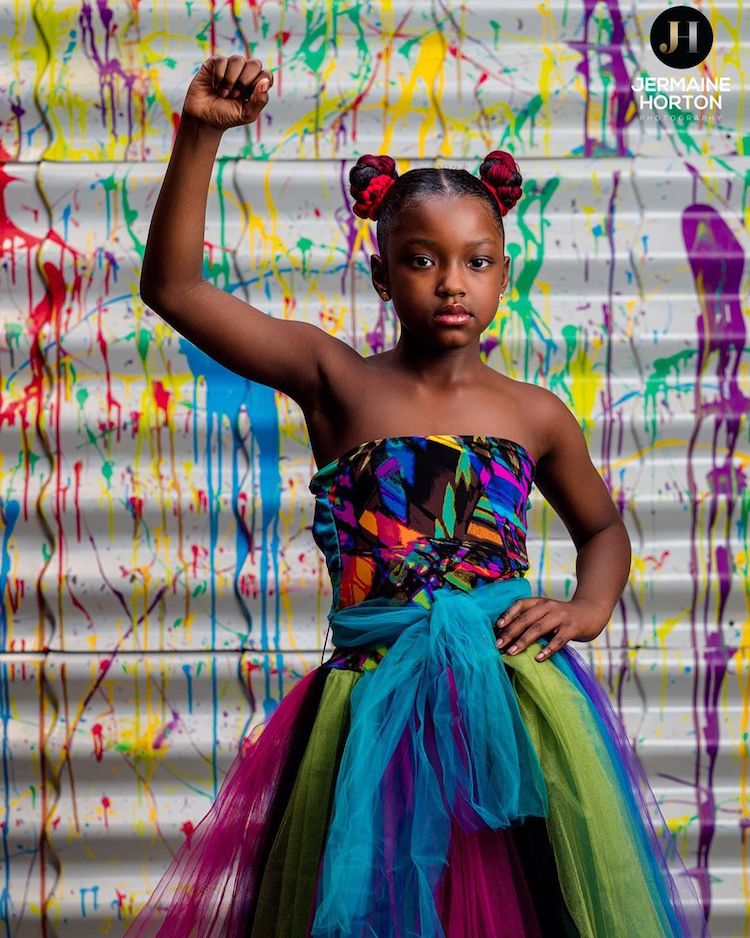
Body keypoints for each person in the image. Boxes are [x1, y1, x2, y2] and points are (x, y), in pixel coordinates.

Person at [124, 54, 710, 938]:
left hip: (509, 707)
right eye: (422, 259)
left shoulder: (534, 412)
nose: (450, 282)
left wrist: (588, 607)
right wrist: (202, 131)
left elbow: (603, 529)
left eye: (477, 262)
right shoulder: (336, 383)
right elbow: (174, 289)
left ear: (504, 277)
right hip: (368, 710)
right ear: (381, 273)